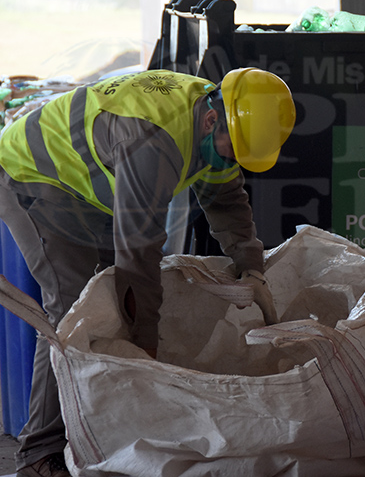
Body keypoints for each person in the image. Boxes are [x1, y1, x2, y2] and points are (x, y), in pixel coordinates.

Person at [0, 67, 296, 477]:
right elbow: (138, 258)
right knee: (71, 314)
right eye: (230, 151)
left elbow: (226, 201)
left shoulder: (214, 117)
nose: (229, 161)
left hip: (90, 184)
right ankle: (39, 453)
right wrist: (146, 352)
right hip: (34, 174)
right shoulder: (153, 140)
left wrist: (252, 268)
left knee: (111, 307)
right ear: (213, 121)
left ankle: (98, 432)